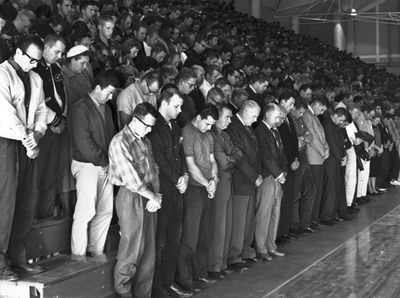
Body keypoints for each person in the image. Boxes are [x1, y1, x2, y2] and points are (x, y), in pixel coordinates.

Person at [0, 35, 47, 279]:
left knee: (26, 198)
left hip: (29, 142)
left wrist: (37, 133)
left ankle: (17, 255)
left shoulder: (36, 78)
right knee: (4, 201)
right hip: (7, 142)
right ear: (18, 52)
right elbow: (4, 111)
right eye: (30, 59)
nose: (33, 64)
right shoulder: (2, 74)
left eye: (37, 61)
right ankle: (0, 261)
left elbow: (41, 110)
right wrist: (25, 136)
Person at [108, 102, 161, 298]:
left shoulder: (145, 141)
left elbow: (154, 169)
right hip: (131, 198)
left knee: (149, 252)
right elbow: (131, 181)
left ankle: (143, 294)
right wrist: (153, 196)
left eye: (151, 127)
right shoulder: (120, 142)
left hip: (149, 197)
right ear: (134, 119)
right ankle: (124, 292)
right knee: (131, 249)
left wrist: (157, 196)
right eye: (146, 125)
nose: (148, 130)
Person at [147, 90, 193, 298]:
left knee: (174, 237)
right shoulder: (153, 126)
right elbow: (159, 158)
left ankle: (169, 281)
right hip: (162, 189)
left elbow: (180, 154)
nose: (180, 110)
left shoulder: (174, 127)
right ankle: (157, 285)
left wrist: (184, 175)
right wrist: (177, 179)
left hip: (177, 187)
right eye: (176, 106)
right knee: (160, 240)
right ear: (164, 103)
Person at [70, 70, 119, 256]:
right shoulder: (80, 107)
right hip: (87, 165)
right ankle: (78, 256)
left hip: (105, 165)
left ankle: (95, 252)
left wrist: (110, 162)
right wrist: (104, 161)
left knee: (105, 211)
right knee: (86, 212)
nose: (110, 97)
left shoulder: (106, 108)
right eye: (108, 92)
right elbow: (84, 142)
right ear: (97, 87)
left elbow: (111, 137)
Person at [176, 104, 219, 293]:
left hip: (206, 188)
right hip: (193, 189)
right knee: (190, 236)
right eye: (207, 124)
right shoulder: (188, 132)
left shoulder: (208, 135)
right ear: (200, 117)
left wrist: (214, 180)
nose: (209, 128)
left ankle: (200, 273)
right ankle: (185, 278)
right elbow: (190, 165)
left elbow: (212, 160)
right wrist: (206, 183)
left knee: (205, 233)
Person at [33, 34, 67, 219]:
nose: (59, 56)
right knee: (38, 177)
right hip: (42, 129)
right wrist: (54, 120)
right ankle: (32, 220)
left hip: (58, 126)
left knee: (51, 175)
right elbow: (37, 102)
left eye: (61, 52)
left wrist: (63, 118)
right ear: (45, 47)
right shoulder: (34, 68)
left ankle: (45, 219)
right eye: (57, 51)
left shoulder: (56, 67)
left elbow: (62, 95)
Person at [225, 100, 261, 269]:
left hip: (251, 180)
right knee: (239, 221)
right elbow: (240, 158)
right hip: (241, 180)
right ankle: (234, 256)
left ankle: (245, 251)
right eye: (253, 116)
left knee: (248, 220)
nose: (255, 120)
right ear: (245, 112)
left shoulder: (247, 126)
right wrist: (254, 176)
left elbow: (254, 152)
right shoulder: (234, 127)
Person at [208, 104, 242, 278]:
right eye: (227, 117)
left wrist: (231, 158)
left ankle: (222, 264)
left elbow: (238, 154)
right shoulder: (212, 136)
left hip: (228, 184)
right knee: (219, 227)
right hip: (219, 185)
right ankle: (214, 266)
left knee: (227, 226)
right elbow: (224, 162)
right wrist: (232, 158)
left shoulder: (226, 135)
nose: (229, 121)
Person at [254, 103, 287, 260]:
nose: (278, 119)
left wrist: (283, 170)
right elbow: (266, 156)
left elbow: (281, 153)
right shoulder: (260, 131)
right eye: (276, 116)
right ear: (267, 115)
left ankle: (271, 245)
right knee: (264, 213)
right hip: (268, 176)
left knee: (275, 212)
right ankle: (261, 248)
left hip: (277, 176)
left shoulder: (274, 131)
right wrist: (278, 174)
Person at [302, 97, 330, 226]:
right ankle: (310, 220)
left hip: (319, 158)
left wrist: (327, 148)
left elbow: (322, 136)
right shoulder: (307, 115)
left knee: (318, 189)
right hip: (313, 157)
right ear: (317, 104)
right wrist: (323, 151)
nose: (322, 112)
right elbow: (312, 138)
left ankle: (314, 218)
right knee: (313, 190)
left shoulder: (315, 116)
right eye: (322, 109)